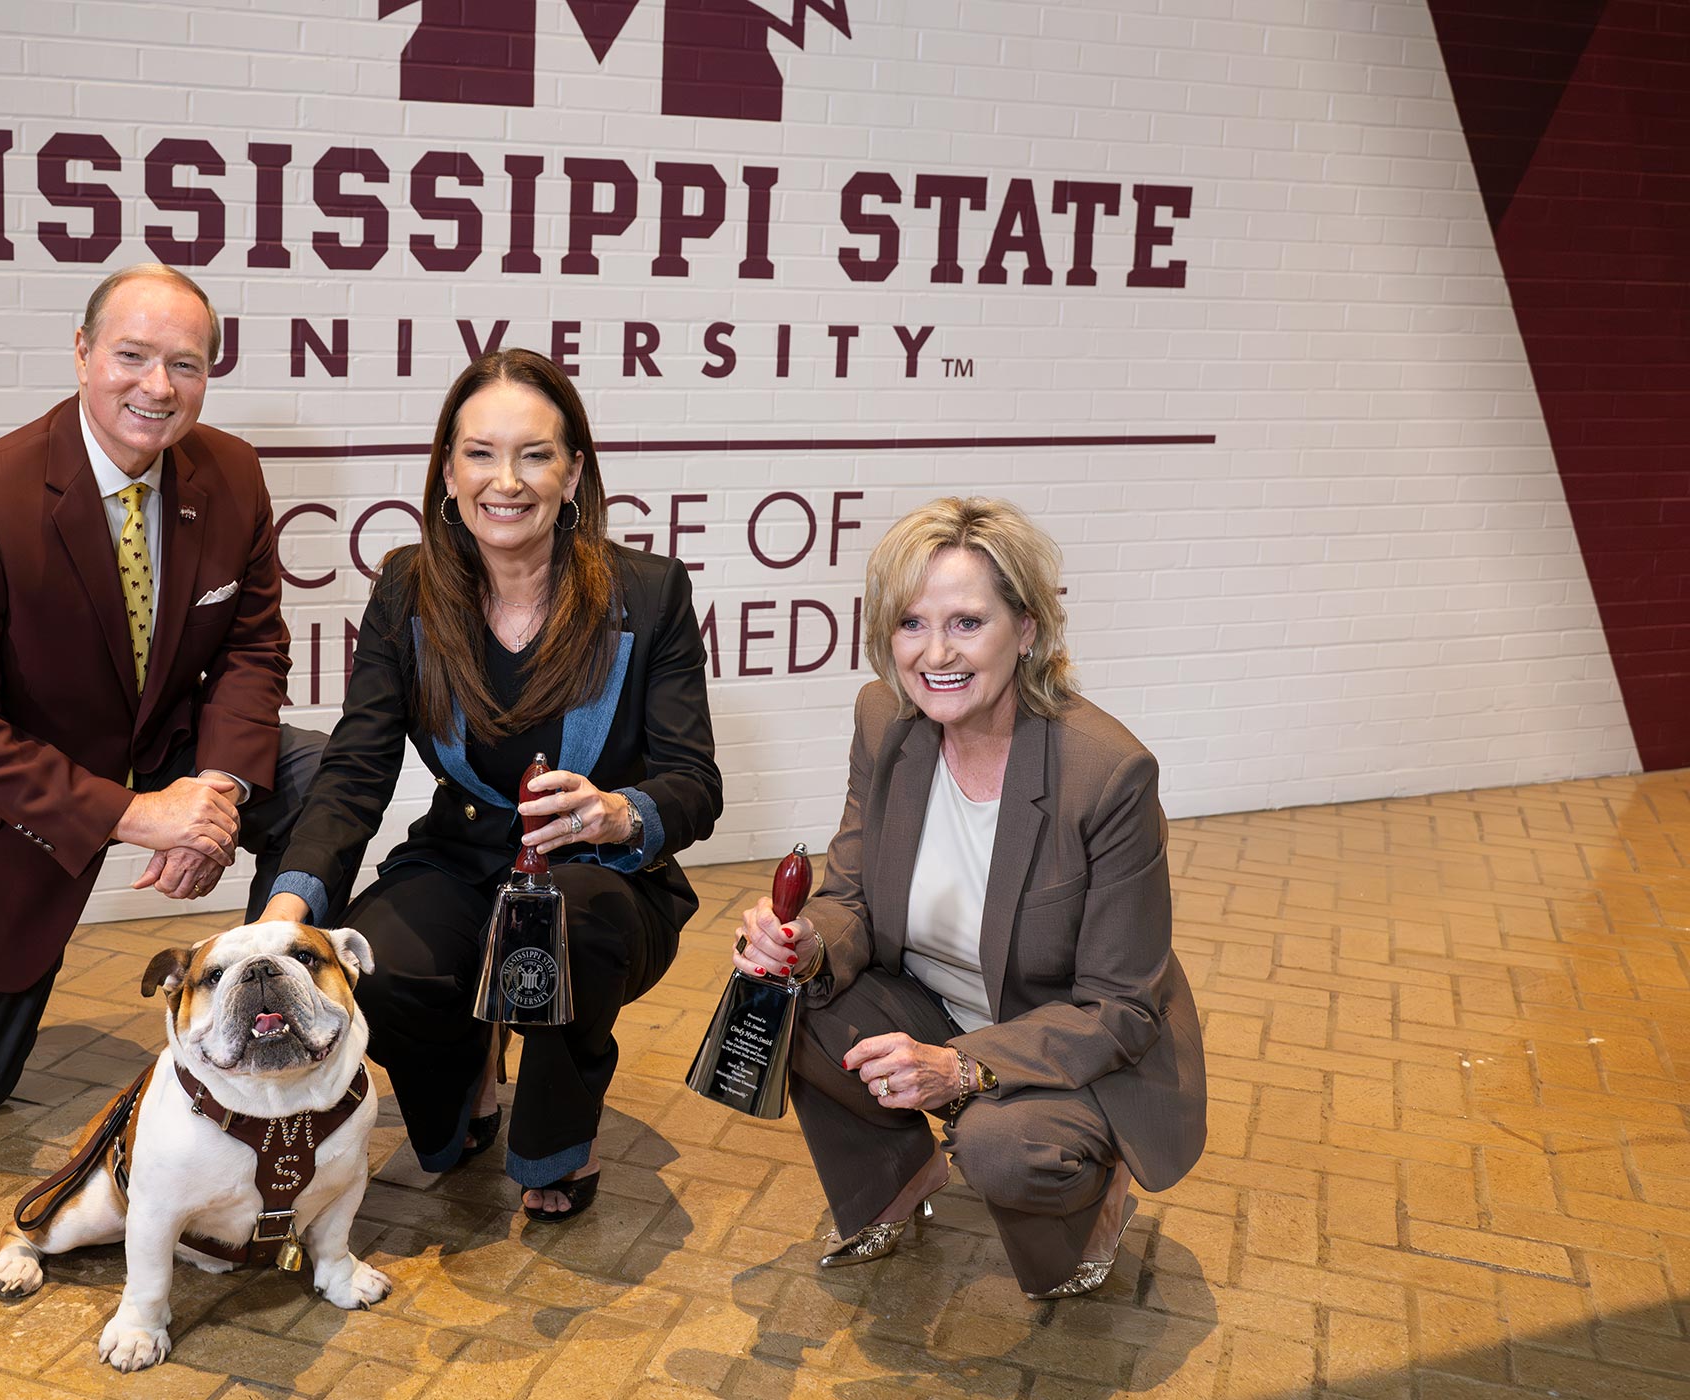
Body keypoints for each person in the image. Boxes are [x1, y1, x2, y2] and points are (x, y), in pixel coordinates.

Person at [257, 349, 722, 1221]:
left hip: (602, 882)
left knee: (568, 926)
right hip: (462, 856)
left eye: (534, 455)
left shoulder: (650, 592)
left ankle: (555, 1141)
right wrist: (291, 909)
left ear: (573, 472)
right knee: (373, 966)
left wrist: (618, 813)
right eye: (479, 453)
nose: (505, 481)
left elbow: (695, 781)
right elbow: (357, 768)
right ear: (447, 469)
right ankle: (466, 1077)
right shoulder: (407, 588)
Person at [0, 264, 323, 1119]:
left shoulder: (231, 473)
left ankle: (265, 1000)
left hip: (163, 745)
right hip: (14, 792)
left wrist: (214, 795)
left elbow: (252, 646)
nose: (158, 387)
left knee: (320, 778)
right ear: (82, 354)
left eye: (185, 364)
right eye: (132, 356)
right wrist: (136, 814)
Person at [734, 497, 1204, 1298]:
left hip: (1070, 1043)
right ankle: (897, 1179)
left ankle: (1098, 1188)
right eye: (911, 623)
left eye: (966, 623)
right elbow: (850, 897)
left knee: (1000, 1146)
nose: (935, 653)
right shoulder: (885, 719)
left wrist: (961, 1069)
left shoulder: (1107, 774)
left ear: (1026, 630)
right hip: (938, 1003)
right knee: (788, 995)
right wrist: (806, 944)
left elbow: (1121, 1009)